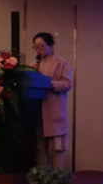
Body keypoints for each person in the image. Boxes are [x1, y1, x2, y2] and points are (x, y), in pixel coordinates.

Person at [31, 32, 72, 168]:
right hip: (38, 110)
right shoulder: (35, 65)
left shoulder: (61, 62)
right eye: (36, 47)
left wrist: (48, 83)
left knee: (57, 147)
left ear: (51, 45)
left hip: (54, 110)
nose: (39, 50)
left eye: (42, 46)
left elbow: (67, 84)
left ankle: (57, 177)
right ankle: (41, 177)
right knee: (39, 147)